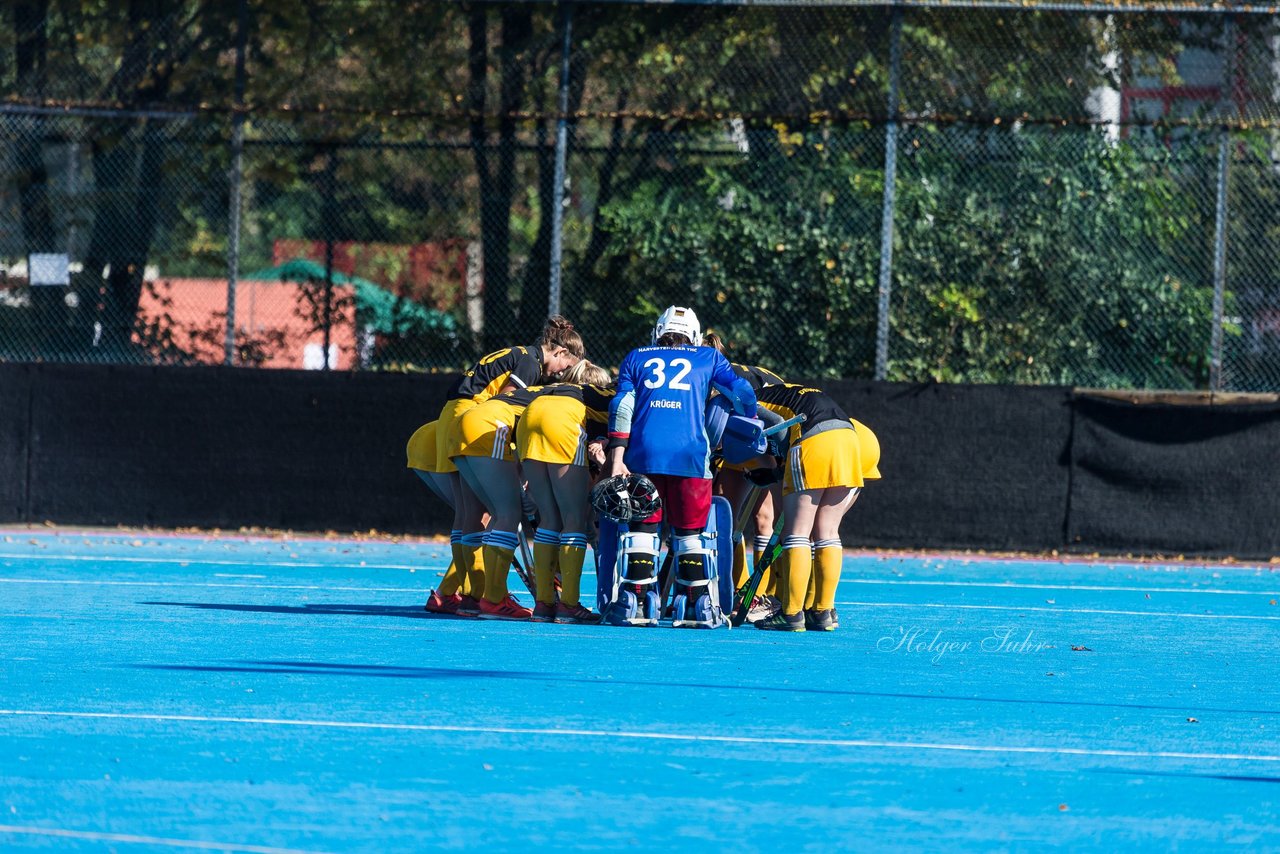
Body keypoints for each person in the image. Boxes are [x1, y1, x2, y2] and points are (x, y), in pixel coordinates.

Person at [603, 306, 757, 628]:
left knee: (643, 532)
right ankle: (697, 602)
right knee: (690, 535)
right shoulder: (708, 357)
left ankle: (637, 601)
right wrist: (751, 418)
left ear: (658, 331)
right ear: (696, 335)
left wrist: (616, 458)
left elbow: (622, 406)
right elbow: (741, 391)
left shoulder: (636, 357)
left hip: (642, 454)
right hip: (689, 454)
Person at [432, 317, 583, 616]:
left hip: (452, 418)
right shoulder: (530, 362)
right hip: (479, 418)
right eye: (565, 366)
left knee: (470, 513)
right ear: (560, 352)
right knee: (504, 512)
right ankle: (491, 596)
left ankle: (464, 592)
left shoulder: (517, 352)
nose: (561, 373)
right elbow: (507, 402)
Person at [749, 383, 881, 632]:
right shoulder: (786, 391)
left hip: (814, 439)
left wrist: (772, 471)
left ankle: (790, 614)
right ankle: (822, 612)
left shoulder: (750, 399)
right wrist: (776, 472)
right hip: (850, 439)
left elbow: (776, 428)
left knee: (797, 533)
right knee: (828, 533)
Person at [515, 362, 615, 624]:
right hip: (560, 423)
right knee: (574, 520)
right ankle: (569, 604)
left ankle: (544, 603)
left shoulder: (554, 388)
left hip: (529, 419)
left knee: (549, 518)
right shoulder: (600, 394)